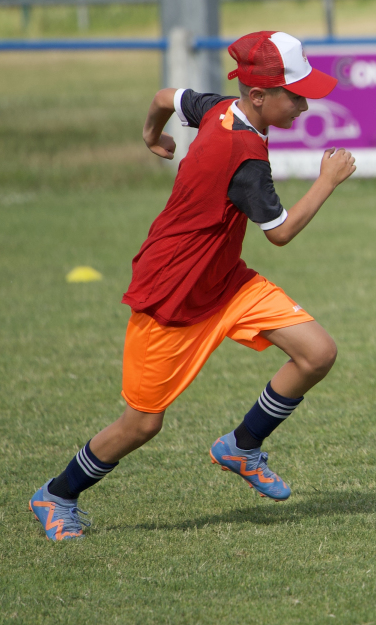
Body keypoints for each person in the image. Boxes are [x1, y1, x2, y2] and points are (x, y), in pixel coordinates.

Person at [28, 31, 357, 541]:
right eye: (296, 95)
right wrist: (327, 181)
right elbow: (280, 233)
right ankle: (57, 494)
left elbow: (165, 97)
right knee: (141, 425)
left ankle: (241, 447)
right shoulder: (245, 157)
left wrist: (150, 135)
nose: (305, 105)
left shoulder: (220, 108)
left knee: (317, 353)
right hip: (172, 294)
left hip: (225, 281)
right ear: (259, 96)